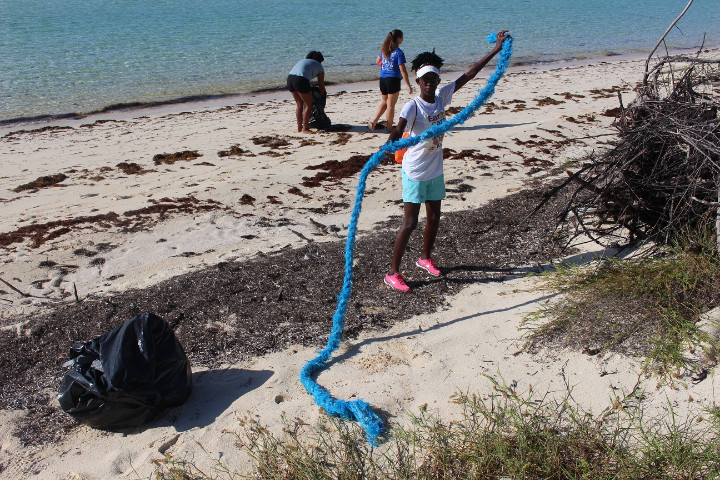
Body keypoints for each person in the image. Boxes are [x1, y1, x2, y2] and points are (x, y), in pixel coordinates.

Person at [384, 30, 510, 293]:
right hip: (415, 171)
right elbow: (399, 128)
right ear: (418, 82)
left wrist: (496, 50)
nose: (429, 83)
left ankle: (425, 258)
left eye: (433, 79)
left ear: (437, 80)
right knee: (410, 223)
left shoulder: (442, 98)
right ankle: (392, 273)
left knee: (434, 217)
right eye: (425, 79)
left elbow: (469, 74)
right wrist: (391, 140)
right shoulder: (413, 107)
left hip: (435, 169)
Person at [369, 30, 413, 132]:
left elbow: (377, 61)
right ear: (399, 39)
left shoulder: (384, 49)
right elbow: (403, 70)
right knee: (390, 105)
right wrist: (408, 86)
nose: (403, 39)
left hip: (383, 79)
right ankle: (389, 128)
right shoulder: (399, 52)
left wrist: (384, 66)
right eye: (402, 37)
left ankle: (373, 120)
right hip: (393, 80)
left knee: (385, 102)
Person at [287, 51, 326, 133]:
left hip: (290, 79)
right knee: (309, 105)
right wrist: (322, 96)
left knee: (299, 104)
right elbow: (321, 87)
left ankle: (299, 128)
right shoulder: (319, 66)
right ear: (320, 60)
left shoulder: (302, 61)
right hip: (300, 80)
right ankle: (305, 129)